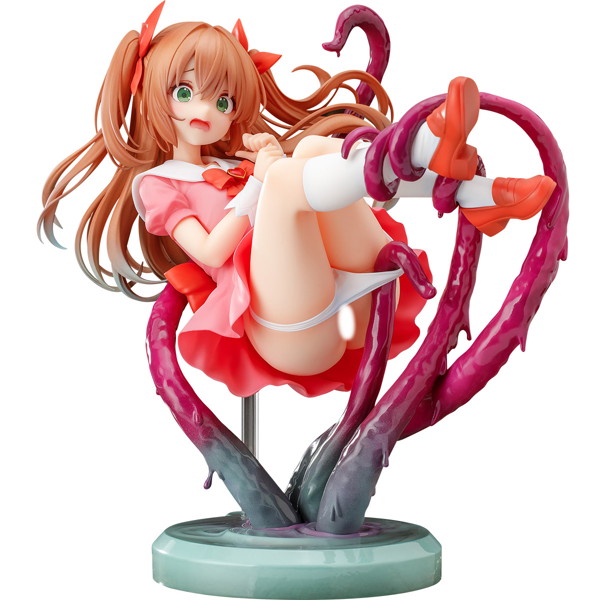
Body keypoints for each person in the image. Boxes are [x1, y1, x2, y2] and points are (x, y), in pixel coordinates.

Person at [40, 3, 555, 397]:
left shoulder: (238, 161)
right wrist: (263, 183)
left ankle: (468, 188)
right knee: (289, 173)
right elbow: (213, 252)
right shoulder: (159, 184)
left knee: (311, 150)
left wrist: (264, 168)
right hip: (281, 330)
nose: (206, 110)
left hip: (352, 287)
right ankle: (418, 147)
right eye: (184, 92)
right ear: (153, 92)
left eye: (222, 100)